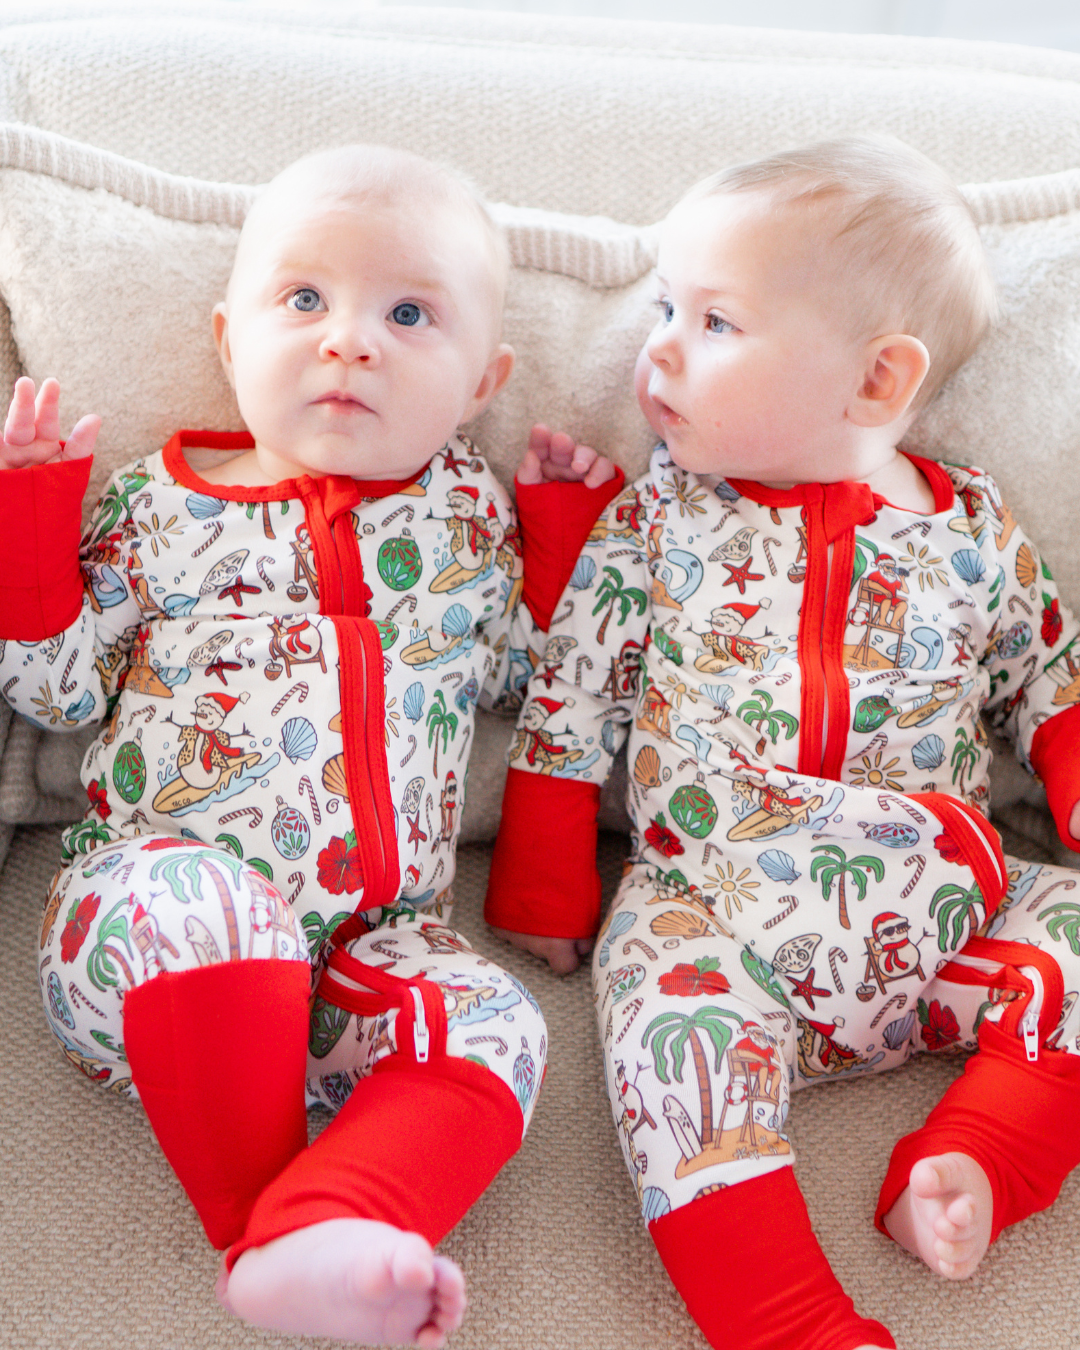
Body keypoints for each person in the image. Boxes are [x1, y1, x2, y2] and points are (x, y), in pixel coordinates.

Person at [0, 144, 619, 1347]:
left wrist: (558, 536)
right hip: (151, 940)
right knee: (203, 899)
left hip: (369, 958)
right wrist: (31, 522)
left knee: (497, 1025)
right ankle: (255, 1235)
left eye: (407, 313)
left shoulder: (464, 513)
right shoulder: (159, 505)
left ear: (481, 381)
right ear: (230, 340)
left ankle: (339, 1218)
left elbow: (529, 680)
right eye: (303, 301)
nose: (350, 339)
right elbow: (60, 690)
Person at [485, 135, 1080, 1350]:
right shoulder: (656, 521)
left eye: (714, 323)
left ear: (874, 382)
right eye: (663, 307)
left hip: (945, 914)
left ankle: (978, 1159)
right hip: (715, 919)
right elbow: (573, 697)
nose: (655, 348)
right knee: (664, 1038)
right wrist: (544, 874)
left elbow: (1048, 681)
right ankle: (784, 1320)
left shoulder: (973, 531)